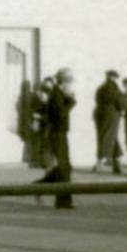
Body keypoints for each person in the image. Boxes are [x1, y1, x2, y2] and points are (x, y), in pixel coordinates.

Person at [34, 68, 77, 209]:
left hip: (60, 133)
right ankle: (63, 202)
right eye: (69, 82)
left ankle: (39, 187)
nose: (71, 86)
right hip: (57, 134)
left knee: (65, 167)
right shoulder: (56, 94)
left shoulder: (58, 94)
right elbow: (60, 115)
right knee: (64, 167)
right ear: (63, 82)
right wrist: (71, 102)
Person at [92, 70, 125, 174]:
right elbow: (120, 103)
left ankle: (117, 164)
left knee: (109, 136)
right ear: (113, 77)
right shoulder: (114, 88)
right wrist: (123, 109)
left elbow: (96, 100)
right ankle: (101, 162)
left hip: (99, 114)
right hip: (112, 115)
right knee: (108, 137)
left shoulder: (101, 88)